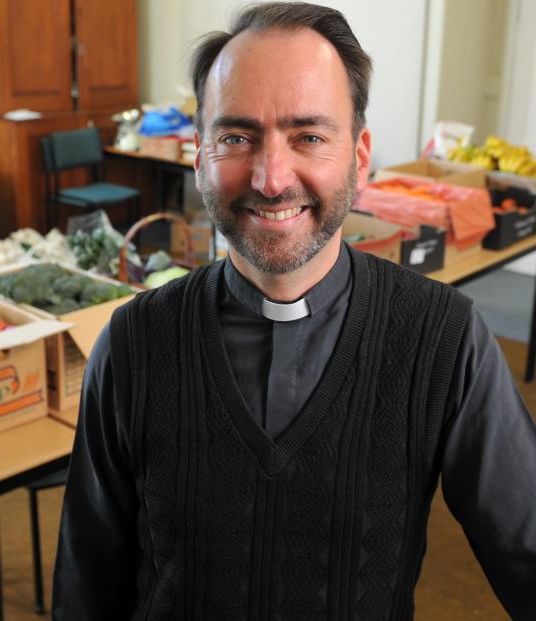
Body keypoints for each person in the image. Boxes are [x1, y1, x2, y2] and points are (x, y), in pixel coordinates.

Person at [51, 3, 536, 619]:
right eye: (236, 137)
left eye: (309, 136)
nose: (272, 178)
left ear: (359, 156)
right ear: (198, 155)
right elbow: (86, 586)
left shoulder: (441, 338)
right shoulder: (134, 341)